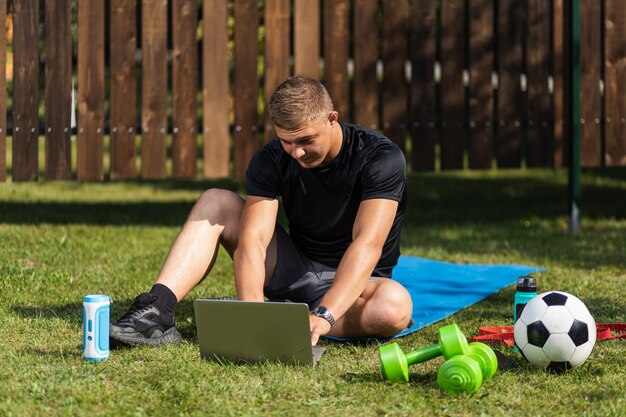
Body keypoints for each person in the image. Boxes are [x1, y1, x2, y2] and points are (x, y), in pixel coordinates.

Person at [110, 76, 413, 347]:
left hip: (362, 282)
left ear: (332, 119)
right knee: (216, 201)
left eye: (306, 140)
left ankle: (296, 321)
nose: (297, 153)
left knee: (393, 309)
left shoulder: (380, 158)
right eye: (287, 142)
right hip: (297, 271)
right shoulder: (270, 160)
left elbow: (367, 244)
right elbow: (253, 241)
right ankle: (155, 311)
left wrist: (325, 315)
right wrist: (252, 315)